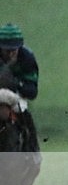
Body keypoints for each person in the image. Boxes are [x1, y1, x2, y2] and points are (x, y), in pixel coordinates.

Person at [0, 23, 39, 152]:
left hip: (16, 95)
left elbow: (32, 92)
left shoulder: (27, 58)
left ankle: (33, 150)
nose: (11, 54)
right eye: (7, 50)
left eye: (14, 50)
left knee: (23, 114)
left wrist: (15, 83)